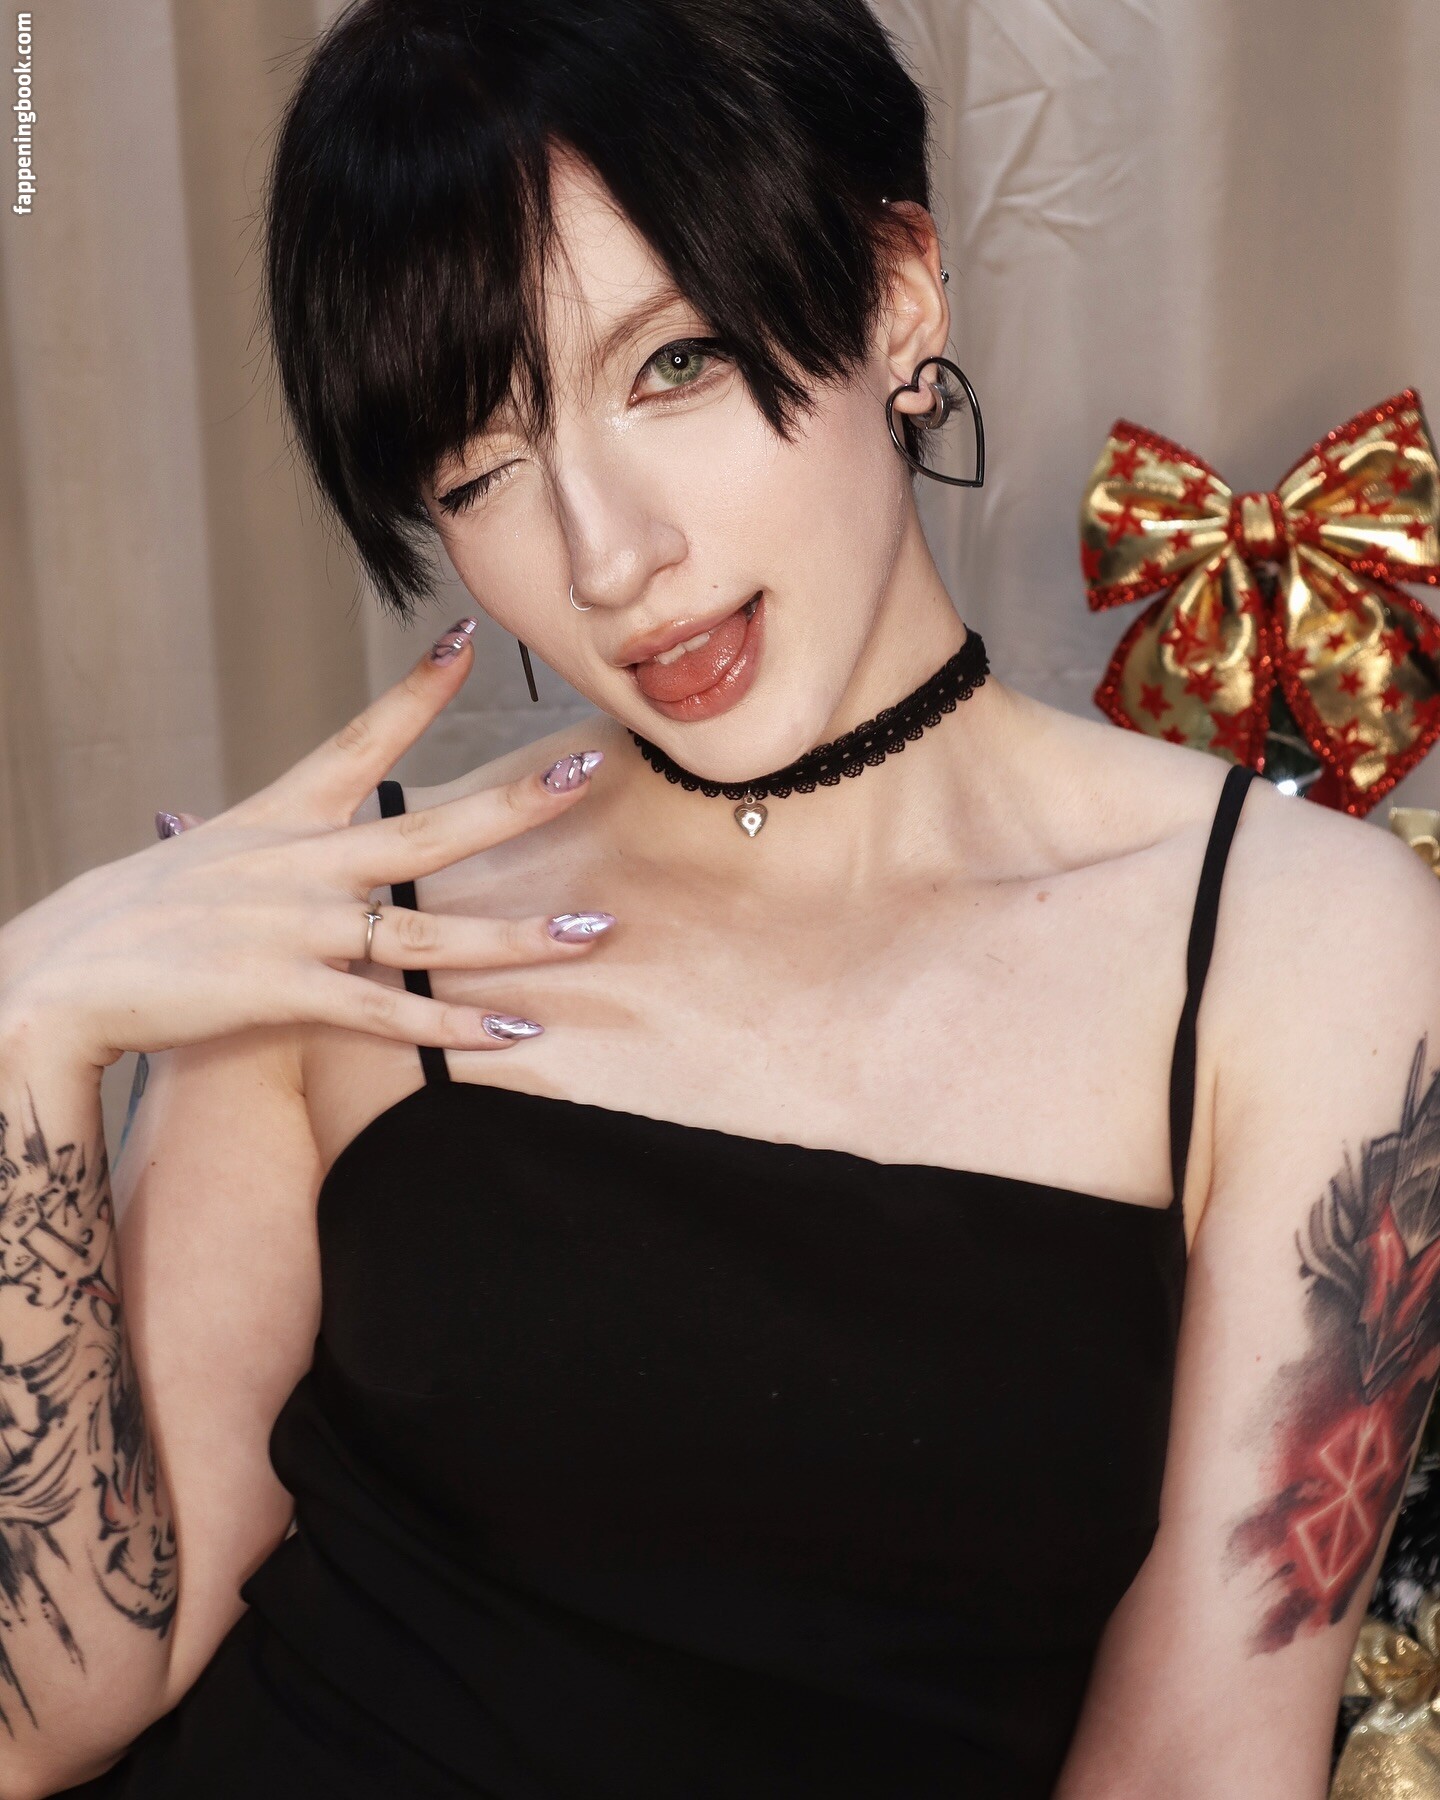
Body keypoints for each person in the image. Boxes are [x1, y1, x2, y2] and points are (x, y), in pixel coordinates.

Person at [2, 0, 1438, 1795]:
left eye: (669, 366)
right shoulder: (350, 911)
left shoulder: (1295, 943)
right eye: (479, 465)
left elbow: (1203, 1761)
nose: (609, 556)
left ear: (896, 296)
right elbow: (52, 1707)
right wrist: (27, 1031)